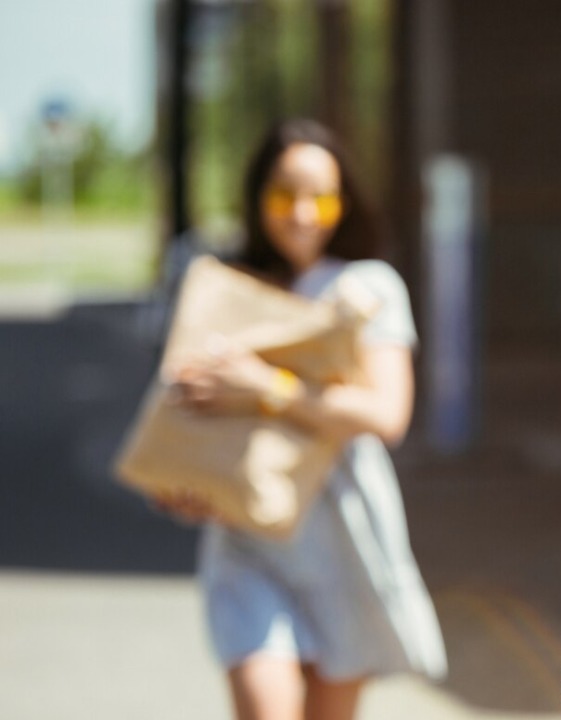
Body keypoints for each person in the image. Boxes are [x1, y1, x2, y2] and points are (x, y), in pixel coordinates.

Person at [156, 118, 447, 720]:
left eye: (322, 195)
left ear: (345, 201)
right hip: (247, 537)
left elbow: (387, 414)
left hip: (341, 537)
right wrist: (181, 483)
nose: (304, 212)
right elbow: (185, 414)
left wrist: (265, 386)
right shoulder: (228, 287)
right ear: (259, 197)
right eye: (286, 194)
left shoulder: (366, 287)